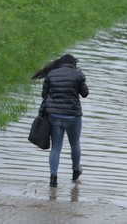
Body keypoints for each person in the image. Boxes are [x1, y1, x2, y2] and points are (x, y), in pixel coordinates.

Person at [32, 53, 89, 187]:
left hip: (54, 116)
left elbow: (44, 94)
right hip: (73, 116)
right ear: (73, 64)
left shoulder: (51, 74)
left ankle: (53, 177)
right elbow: (85, 94)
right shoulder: (78, 74)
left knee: (56, 147)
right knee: (74, 144)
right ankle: (75, 171)